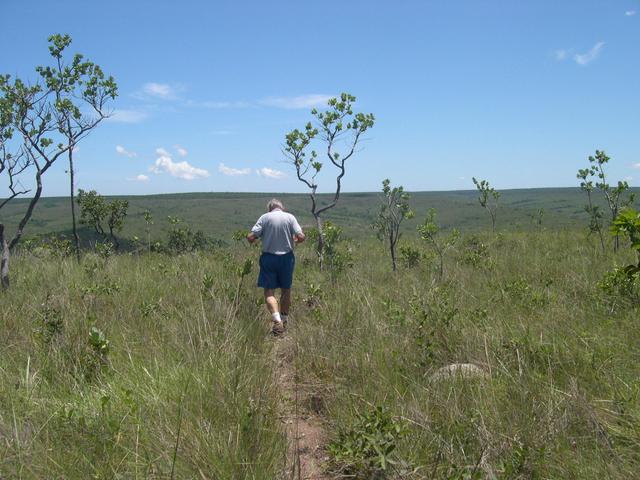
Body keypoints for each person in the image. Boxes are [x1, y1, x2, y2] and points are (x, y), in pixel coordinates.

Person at [247, 199, 305, 335]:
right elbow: (301, 237)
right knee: (286, 290)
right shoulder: (290, 217)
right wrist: (295, 240)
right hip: (286, 258)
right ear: (281, 207)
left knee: (269, 291)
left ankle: (276, 320)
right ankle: (284, 320)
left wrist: (256, 238)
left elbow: (250, 237)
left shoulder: (264, 217)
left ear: (270, 208)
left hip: (269, 258)